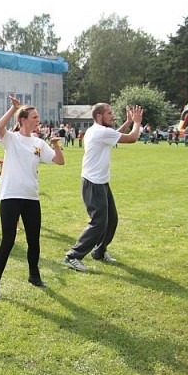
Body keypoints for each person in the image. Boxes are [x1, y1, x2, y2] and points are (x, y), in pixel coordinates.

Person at [0, 99, 64, 300]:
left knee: (34, 240)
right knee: (8, 241)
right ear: (23, 120)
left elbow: (59, 161)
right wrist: (13, 107)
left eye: (38, 117)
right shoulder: (11, 139)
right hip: (11, 196)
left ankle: (34, 276)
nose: (38, 120)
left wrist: (56, 146)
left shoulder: (38, 143)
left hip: (31, 197)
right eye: (34, 117)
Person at [64, 103, 143, 272]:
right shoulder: (100, 131)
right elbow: (132, 138)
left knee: (111, 219)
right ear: (99, 116)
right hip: (93, 183)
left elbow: (114, 135)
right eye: (109, 113)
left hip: (101, 182)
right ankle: (73, 256)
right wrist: (137, 122)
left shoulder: (99, 131)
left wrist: (128, 123)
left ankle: (99, 251)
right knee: (99, 222)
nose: (112, 116)